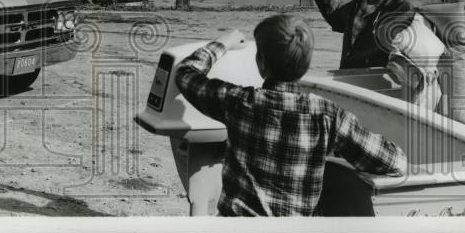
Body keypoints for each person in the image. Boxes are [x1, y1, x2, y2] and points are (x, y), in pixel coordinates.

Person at [174, 15, 406, 217]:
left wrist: (222, 43)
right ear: (305, 65)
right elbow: (393, 162)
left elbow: (186, 72)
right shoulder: (328, 116)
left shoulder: (237, 102)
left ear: (261, 63)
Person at [308, 0, 465, 123]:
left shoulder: (408, 14)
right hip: (353, 94)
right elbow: (338, 19)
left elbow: (418, 75)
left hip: (381, 107)